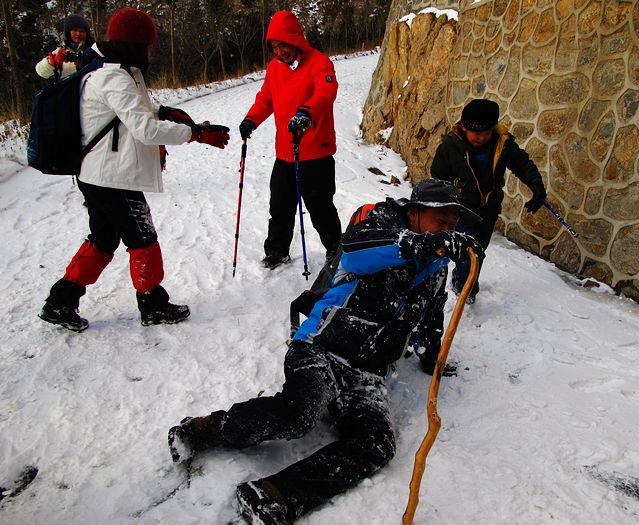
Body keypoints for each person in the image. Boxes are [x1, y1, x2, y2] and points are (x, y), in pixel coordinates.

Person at [167, 179, 482, 524]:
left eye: (453, 224)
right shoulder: (383, 226)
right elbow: (354, 252)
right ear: (415, 212)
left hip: (368, 374)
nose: (448, 228)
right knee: (299, 414)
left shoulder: (436, 269)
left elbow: (430, 319)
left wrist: (431, 358)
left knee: (376, 443)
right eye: (442, 220)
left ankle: (274, 495)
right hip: (322, 347)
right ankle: (206, 429)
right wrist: (420, 244)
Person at [38, 7, 230, 332]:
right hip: (111, 176)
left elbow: (136, 110)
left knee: (102, 240)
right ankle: (153, 304)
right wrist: (195, 134)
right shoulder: (112, 76)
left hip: (98, 174)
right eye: (148, 45)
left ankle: (60, 301)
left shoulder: (119, 70)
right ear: (136, 44)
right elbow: (144, 129)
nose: (151, 52)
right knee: (143, 238)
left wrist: (165, 110)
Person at [238, 10, 342, 270]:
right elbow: (266, 99)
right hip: (285, 152)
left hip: (315, 151)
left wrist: (307, 112)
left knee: (320, 207)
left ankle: (336, 249)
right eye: (274, 46)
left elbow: (327, 90)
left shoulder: (319, 62)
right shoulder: (274, 68)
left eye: (282, 45)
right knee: (280, 205)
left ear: (294, 39)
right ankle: (277, 250)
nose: (278, 52)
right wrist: (251, 119)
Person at [431, 98, 547, 303]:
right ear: (465, 127)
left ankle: (462, 279)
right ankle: (465, 291)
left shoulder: (501, 143)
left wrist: (536, 185)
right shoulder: (450, 146)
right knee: (472, 253)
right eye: (477, 133)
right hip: (462, 211)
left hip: (489, 210)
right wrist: (447, 202)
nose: (482, 137)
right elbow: (437, 176)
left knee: (478, 250)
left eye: (486, 132)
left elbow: (521, 163)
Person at [35, 14, 94, 80]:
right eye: (75, 30)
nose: (78, 34)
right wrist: (51, 63)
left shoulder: (94, 50)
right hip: (69, 88)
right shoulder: (61, 52)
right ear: (68, 32)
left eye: (82, 31)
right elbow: (41, 72)